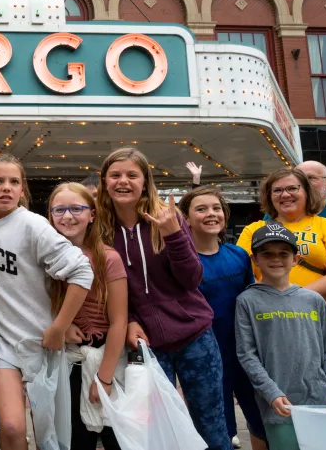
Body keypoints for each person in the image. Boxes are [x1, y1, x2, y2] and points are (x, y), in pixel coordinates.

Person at [97, 147, 232, 450]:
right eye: (115, 175)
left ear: (145, 181)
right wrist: (129, 320)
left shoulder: (168, 218)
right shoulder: (99, 229)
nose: (123, 181)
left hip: (194, 336)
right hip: (145, 344)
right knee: (156, 432)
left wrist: (174, 235)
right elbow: (104, 288)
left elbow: (192, 279)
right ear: (104, 181)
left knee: (210, 426)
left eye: (132, 175)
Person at [0, 157, 93, 450]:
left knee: (50, 436)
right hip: (4, 345)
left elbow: (83, 271)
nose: (6, 188)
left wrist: (60, 327)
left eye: (14, 182)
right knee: (12, 426)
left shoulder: (33, 225)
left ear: (22, 189)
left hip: (43, 344)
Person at [235, 223, 326, 450]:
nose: (276, 259)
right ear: (255, 259)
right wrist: (271, 393)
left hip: (320, 404)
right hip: (278, 406)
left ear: (296, 259)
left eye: (284, 253)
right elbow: (247, 354)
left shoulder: (313, 300)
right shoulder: (247, 301)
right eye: (267, 254)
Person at [180, 186, 267, 450]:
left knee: (262, 419)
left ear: (225, 216)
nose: (211, 214)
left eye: (216, 208)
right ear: (186, 219)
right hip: (205, 357)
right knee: (217, 431)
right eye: (201, 209)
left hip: (243, 352)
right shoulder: (182, 262)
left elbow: (248, 302)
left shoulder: (238, 256)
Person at [48, 181, 127, 450]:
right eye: (59, 210)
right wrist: (62, 325)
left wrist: (104, 378)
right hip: (67, 361)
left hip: (107, 359)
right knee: (73, 439)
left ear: (91, 214)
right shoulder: (43, 256)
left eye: (76, 208)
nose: (67, 216)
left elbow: (119, 321)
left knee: (116, 437)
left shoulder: (108, 258)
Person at [237, 168, 326, 337]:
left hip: (324, 317)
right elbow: (242, 274)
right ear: (269, 196)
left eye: (292, 188)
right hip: (270, 316)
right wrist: (276, 302)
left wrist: (290, 298)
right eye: (277, 190)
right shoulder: (253, 230)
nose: (285, 195)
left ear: (306, 191)